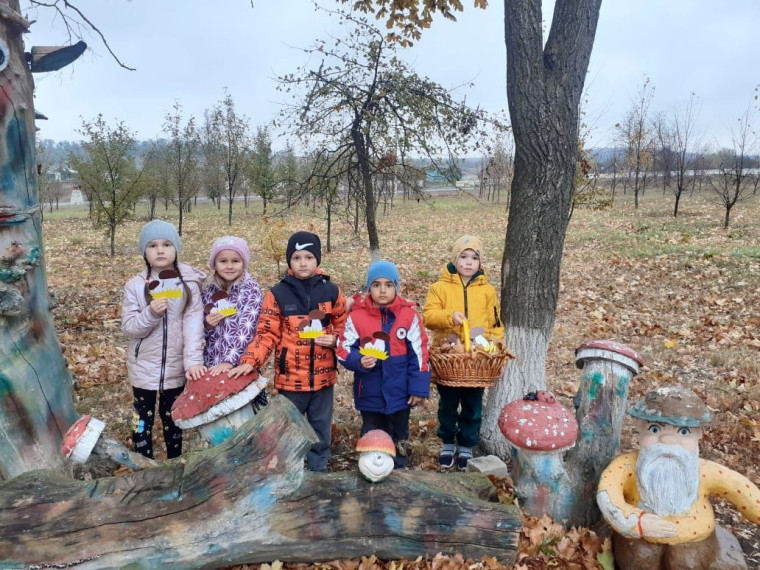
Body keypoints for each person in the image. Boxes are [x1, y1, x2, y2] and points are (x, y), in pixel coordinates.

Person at [597, 386, 760, 570]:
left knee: (685, 562)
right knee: (639, 559)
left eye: (683, 432)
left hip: (692, 537)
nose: (668, 440)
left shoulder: (704, 471)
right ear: (640, 429)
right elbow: (607, 494)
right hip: (639, 536)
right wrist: (637, 522)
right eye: (655, 429)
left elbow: (742, 490)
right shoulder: (626, 466)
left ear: (699, 434)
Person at [229, 231, 347, 472]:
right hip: (291, 379)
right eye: (296, 257)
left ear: (318, 260)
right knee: (286, 430)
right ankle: (286, 472)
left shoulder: (331, 291)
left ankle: (318, 472)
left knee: (320, 428)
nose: (303, 263)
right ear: (289, 261)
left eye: (308, 257)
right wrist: (251, 360)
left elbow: (346, 325)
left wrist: (336, 339)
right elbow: (266, 333)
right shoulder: (278, 294)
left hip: (324, 379)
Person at [121, 220, 206, 459]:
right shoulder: (136, 286)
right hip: (143, 369)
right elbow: (129, 328)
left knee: (172, 420)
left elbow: (193, 327)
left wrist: (191, 363)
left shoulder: (188, 284)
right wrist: (151, 313)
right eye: (153, 245)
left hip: (175, 369)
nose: (160, 250)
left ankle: (174, 463)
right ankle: (143, 465)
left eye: (167, 244)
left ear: (176, 249)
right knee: (141, 420)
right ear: (144, 252)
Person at [337, 261, 430, 469]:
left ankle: (399, 468)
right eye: (376, 284)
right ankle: (371, 468)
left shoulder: (408, 316)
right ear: (369, 288)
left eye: (389, 285)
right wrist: (358, 360)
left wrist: (418, 388)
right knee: (372, 431)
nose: (382, 290)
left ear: (396, 287)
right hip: (369, 392)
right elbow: (343, 349)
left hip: (400, 392)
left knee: (400, 433)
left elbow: (420, 354)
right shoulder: (357, 317)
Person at [422, 235, 503, 469]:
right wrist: (450, 316)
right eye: (463, 257)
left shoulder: (487, 290)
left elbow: (495, 322)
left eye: (474, 258)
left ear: (480, 262)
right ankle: (448, 441)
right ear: (454, 259)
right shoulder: (439, 287)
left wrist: (496, 346)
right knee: (447, 403)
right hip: (449, 358)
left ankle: (467, 443)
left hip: (477, 359)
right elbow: (428, 316)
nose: (469, 262)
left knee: (473, 405)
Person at [201, 236, 268, 409]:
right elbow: (201, 326)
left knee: (243, 407)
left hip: (240, 364)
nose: (229, 266)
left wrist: (230, 361)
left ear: (243, 263)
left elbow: (247, 329)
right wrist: (207, 325)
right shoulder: (208, 290)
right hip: (212, 361)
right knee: (218, 407)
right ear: (214, 263)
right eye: (223, 261)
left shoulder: (250, 290)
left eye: (235, 261)